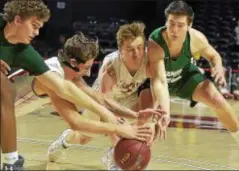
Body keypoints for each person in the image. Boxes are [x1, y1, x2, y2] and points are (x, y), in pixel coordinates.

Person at [0, 1, 155, 170]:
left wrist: (134, 114)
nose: (88, 74)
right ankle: (11, 162)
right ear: (74, 62)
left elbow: (100, 99)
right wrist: (119, 129)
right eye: (87, 67)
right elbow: (76, 122)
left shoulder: (69, 77)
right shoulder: (52, 77)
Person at [147, 0, 239, 161]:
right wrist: (165, 111)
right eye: (171, 23)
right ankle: (124, 153)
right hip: (159, 80)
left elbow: (213, 55)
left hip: (185, 77)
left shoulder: (196, 38)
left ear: (189, 26)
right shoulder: (156, 41)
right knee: (144, 118)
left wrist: (217, 66)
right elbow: (160, 82)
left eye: (180, 25)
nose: (174, 30)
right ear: (166, 21)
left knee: (216, 98)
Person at [46, 23, 158, 170]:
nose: (136, 53)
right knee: (85, 137)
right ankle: (66, 139)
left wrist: (146, 119)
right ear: (120, 50)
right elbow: (105, 104)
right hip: (103, 99)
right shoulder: (111, 66)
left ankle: (112, 155)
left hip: (128, 97)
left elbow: (158, 86)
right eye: (130, 49)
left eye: (139, 48)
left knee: (145, 116)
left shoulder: (149, 60)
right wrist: (119, 147)